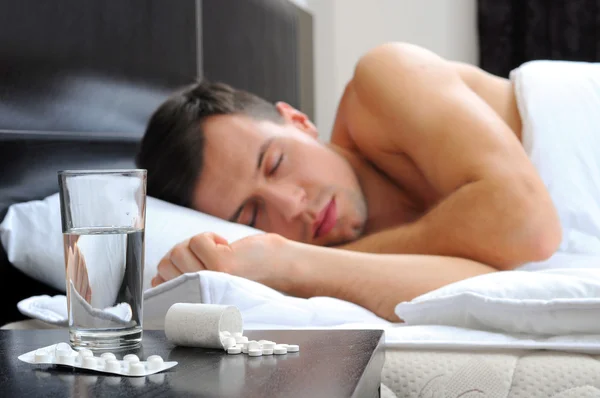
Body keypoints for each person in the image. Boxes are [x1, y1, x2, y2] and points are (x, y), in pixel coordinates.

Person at [136, 42, 565, 321]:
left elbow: (528, 227)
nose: (291, 206)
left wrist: (294, 260)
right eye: (252, 216)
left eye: (276, 163)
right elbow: (480, 279)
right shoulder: (352, 264)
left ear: (300, 122)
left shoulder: (384, 77)